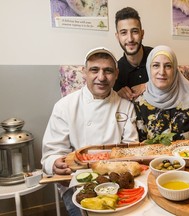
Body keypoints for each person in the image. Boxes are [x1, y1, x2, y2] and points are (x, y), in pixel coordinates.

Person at [41, 47, 139, 215]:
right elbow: (51, 154)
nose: (101, 77)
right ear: (84, 72)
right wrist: (55, 164)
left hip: (117, 181)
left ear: (116, 74)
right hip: (78, 183)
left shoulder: (126, 106)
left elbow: (132, 150)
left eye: (108, 71)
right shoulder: (65, 106)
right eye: (94, 70)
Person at [114, 7, 153, 101]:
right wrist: (117, 94)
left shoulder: (157, 57)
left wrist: (148, 86)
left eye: (134, 31)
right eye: (124, 33)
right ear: (117, 37)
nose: (130, 39)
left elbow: (175, 83)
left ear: (142, 34)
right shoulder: (116, 71)